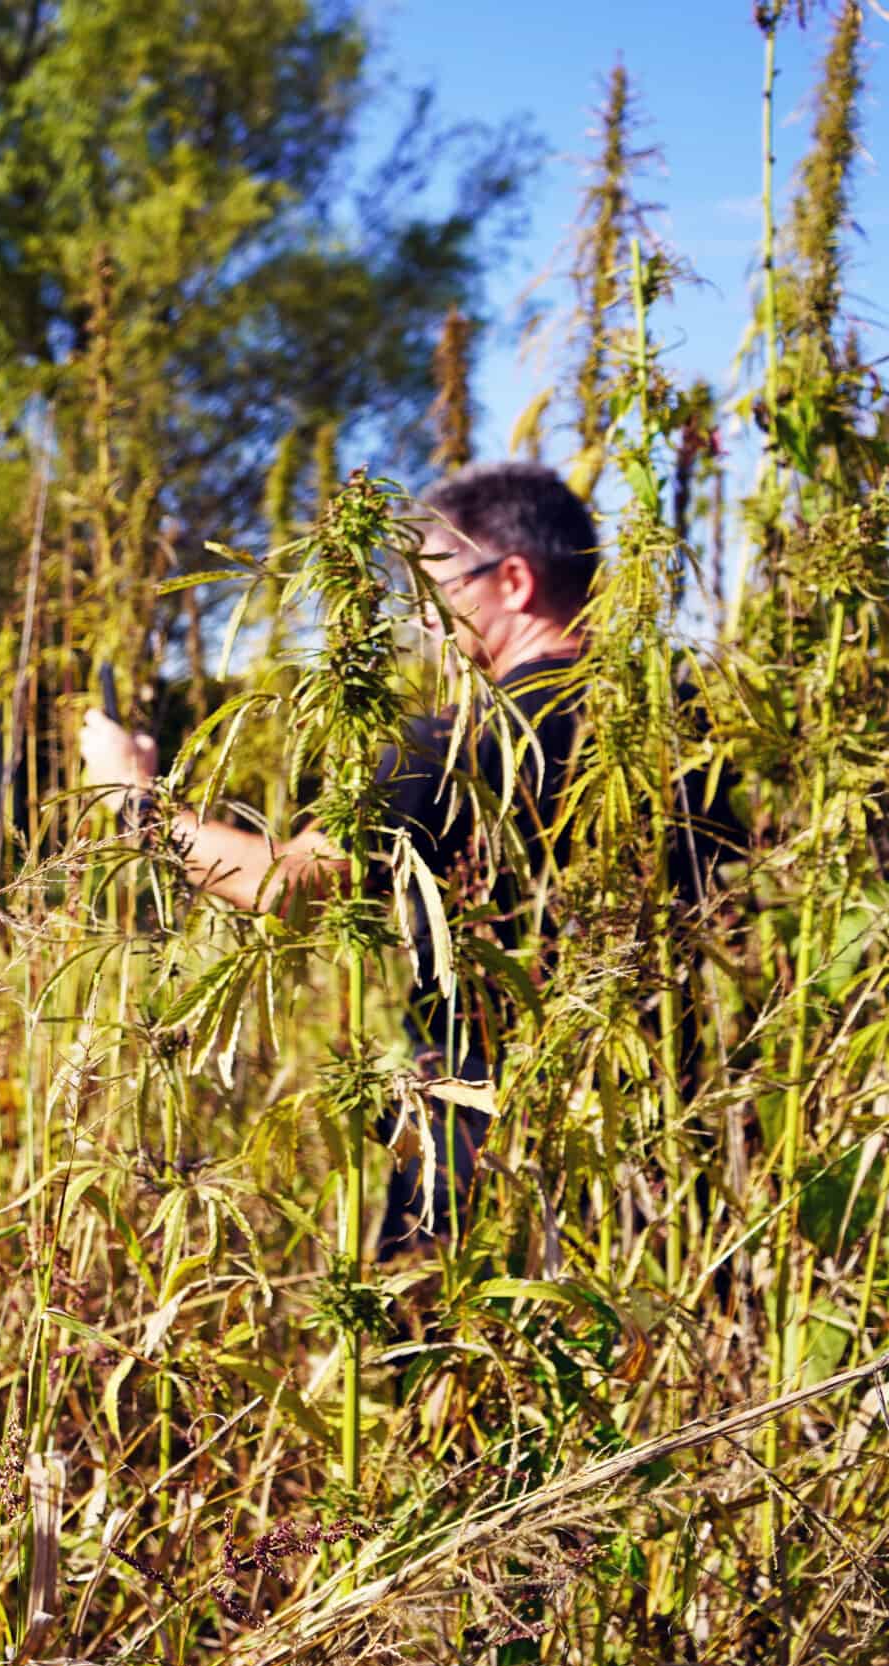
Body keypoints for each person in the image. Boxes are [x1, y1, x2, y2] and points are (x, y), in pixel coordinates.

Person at [81, 461, 728, 1256]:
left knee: (441, 1354)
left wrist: (134, 799)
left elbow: (286, 886)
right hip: (671, 1132)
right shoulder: (683, 715)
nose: (430, 624)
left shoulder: (452, 743)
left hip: (485, 1143)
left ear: (513, 580)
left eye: (438, 592)